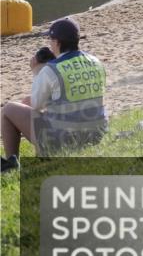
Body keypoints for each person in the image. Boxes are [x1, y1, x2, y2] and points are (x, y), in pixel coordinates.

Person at [1, 19, 108, 171]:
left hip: (66, 141)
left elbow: (37, 105)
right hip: (96, 135)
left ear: (57, 42)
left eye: (50, 40)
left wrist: (37, 72)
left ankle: (11, 165)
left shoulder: (52, 69)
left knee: (8, 110)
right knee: (31, 104)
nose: (50, 44)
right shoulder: (96, 62)